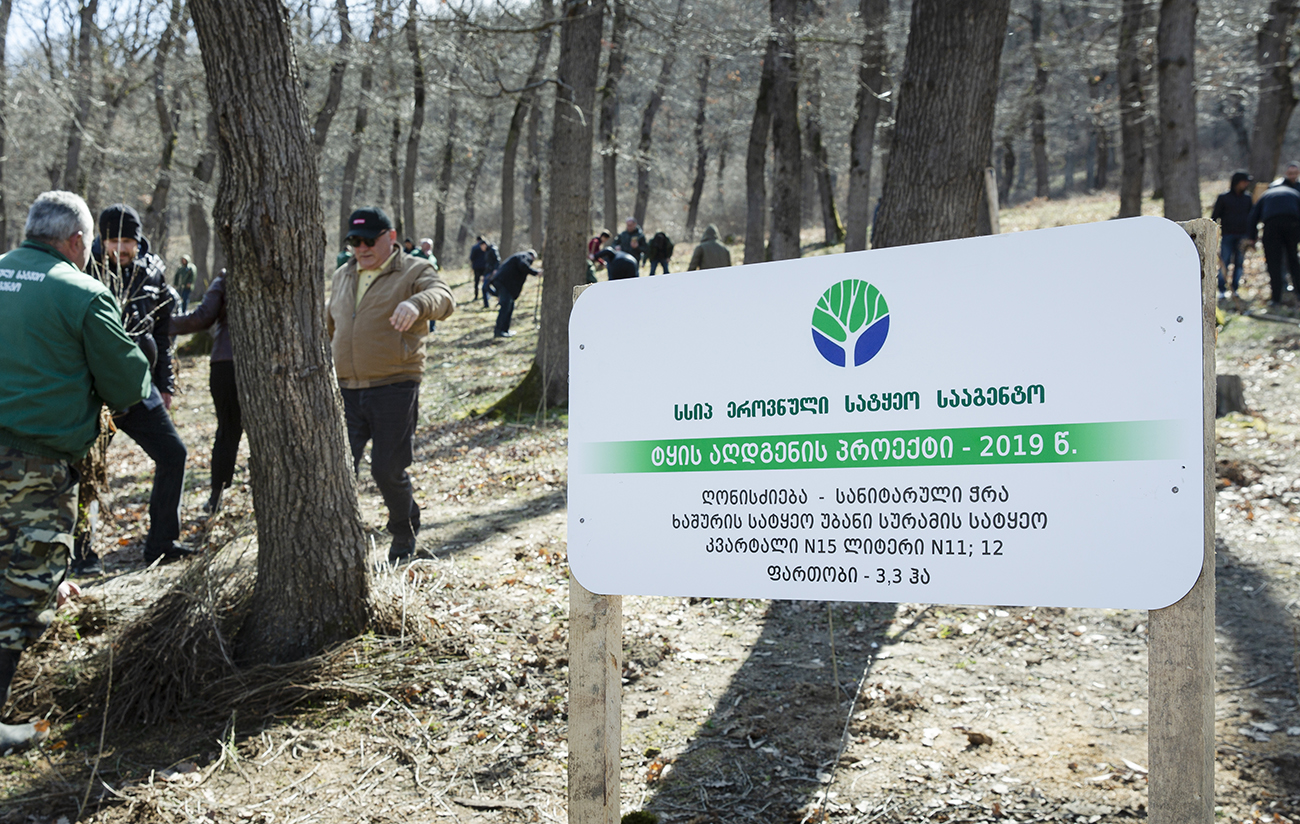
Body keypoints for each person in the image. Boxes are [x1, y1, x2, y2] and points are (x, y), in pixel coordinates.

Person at [0, 191, 151, 752]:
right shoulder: (81, 292)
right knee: (20, 592)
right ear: (77, 241)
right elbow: (128, 384)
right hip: (32, 469)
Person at [328, 207, 454, 562]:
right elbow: (331, 323)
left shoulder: (414, 269)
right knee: (338, 467)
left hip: (395, 385)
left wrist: (417, 304)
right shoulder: (342, 274)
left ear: (391, 237)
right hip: (346, 388)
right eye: (355, 241)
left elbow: (444, 298)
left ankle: (403, 530)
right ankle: (341, 540)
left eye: (370, 240)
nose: (362, 248)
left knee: (387, 469)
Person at [91, 204, 191, 566]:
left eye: (127, 241)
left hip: (141, 386)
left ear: (138, 241)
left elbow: (161, 335)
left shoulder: (152, 273)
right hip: (95, 390)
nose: (120, 248)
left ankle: (162, 543)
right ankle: (82, 551)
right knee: (87, 467)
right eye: (113, 241)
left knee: (173, 454)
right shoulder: (86, 271)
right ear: (102, 240)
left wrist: (165, 384)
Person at [170, 270, 240, 515]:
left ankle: (216, 496)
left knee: (227, 431)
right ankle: (217, 496)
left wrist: (162, 324)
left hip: (226, 364)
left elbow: (202, 317)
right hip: (241, 363)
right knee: (232, 431)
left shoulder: (227, 277)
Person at [1247, 183, 1300, 306]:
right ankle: (1298, 293)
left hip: (1271, 225)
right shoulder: (1295, 193)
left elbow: (1253, 217)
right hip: (1292, 224)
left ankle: (1276, 298)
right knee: (1293, 259)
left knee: (1273, 262)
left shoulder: (1266, 195)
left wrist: (1252, 238)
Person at [1212, 172, 1254, 298]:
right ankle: (1222, 289)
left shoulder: (1248, 198)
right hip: (1228, 235)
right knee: (1224, 261)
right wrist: (1213, 233)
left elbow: (1252, 217)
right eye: (1244, 182)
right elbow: (1215, 216)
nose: (1246, 184)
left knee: (1239, 263)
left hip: (1243, 236)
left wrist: (1252, 236)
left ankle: (1235, 288)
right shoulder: (1224, 198)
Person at [493, 249, 541, 337]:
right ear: (532, 257)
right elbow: (523, 265)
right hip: (504, 284)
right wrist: (535, 272)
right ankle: (499, 331)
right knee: (505, 307)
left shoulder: (518, 256)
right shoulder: (525, 256)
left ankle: (505, 329)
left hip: (505, 284)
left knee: (509, 307)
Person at [472, 237, 500, 309]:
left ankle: (499, 296)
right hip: (488, 272)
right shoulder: (487, 251)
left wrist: (495, 270)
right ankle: (486, 305)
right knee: (484, 288)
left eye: (481, 247)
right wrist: (484, 275)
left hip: (493, 272)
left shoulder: (493, 249)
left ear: (484, 245)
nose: (481, 249)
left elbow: (497, 260)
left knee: (486, 287)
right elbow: (487, 264)